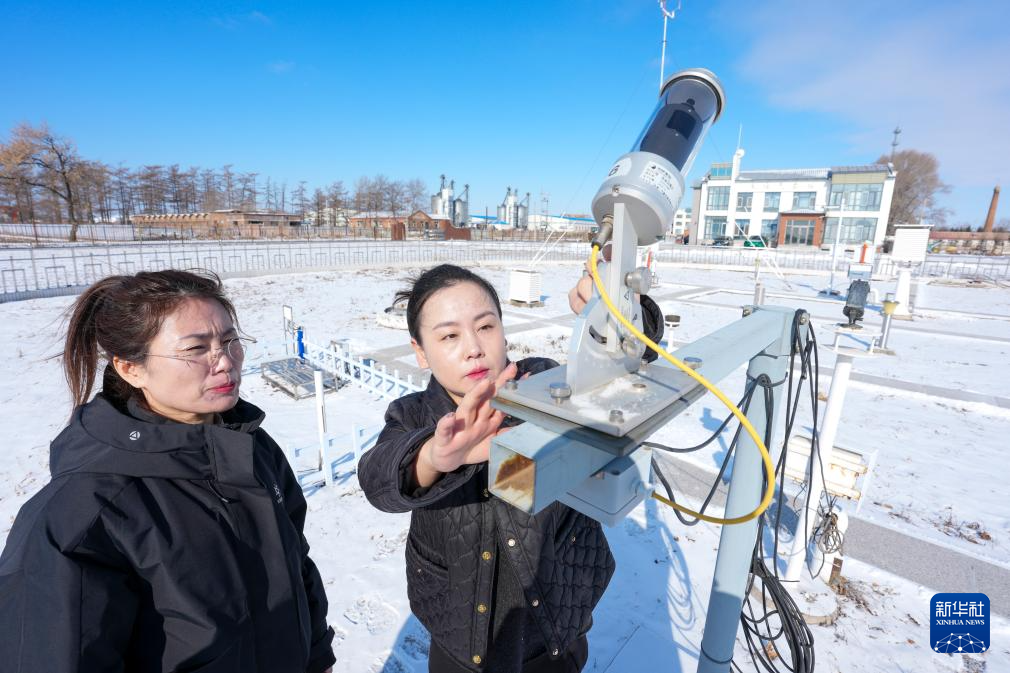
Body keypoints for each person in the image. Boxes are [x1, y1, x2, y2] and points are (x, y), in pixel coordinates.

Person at [0, 269, 335, 673]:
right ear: (131, 368)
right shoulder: (83, 512)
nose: (225, 363)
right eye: (196, 349)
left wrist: (318, 655)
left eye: (230, 341)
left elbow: (296, 562)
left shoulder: (252, 449)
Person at [357, 264, 663, 672]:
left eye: (485, 326)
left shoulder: (545, 383)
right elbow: (377, 477)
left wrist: (613, 315)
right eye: (449, 336)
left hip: (555, 625)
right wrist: (433, 458)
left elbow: (619, 371)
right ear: (420, 350)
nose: (473, 348)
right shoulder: (414, 416)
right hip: (459, 635)